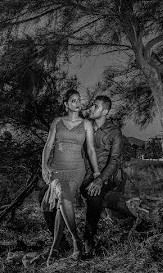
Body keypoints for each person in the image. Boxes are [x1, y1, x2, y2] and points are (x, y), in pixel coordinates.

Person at [40, 89, 101, 260]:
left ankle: (62, 244)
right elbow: (48, 145)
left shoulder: (86, 124)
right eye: (73, 100)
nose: (77, 103)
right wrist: (44, 166)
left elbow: (90, 149)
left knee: (63, 201)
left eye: (78, 100)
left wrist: (96, 171)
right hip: (57, 169)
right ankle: (69, 242)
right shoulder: (57, 122)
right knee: (63, 199)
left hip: (77, 170)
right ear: (66, 104)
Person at [80, 94, 128, 249]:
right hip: (82, 175)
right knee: (46, 193)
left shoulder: (114, 132)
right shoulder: (84, 128)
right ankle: (59, 242)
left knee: (94, 195)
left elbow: (114, 160)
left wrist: (100, 180)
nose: (92, 108)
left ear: (106, 111)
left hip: (104, 177)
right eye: (92, 105)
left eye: (96, 106)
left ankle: (89, 240)